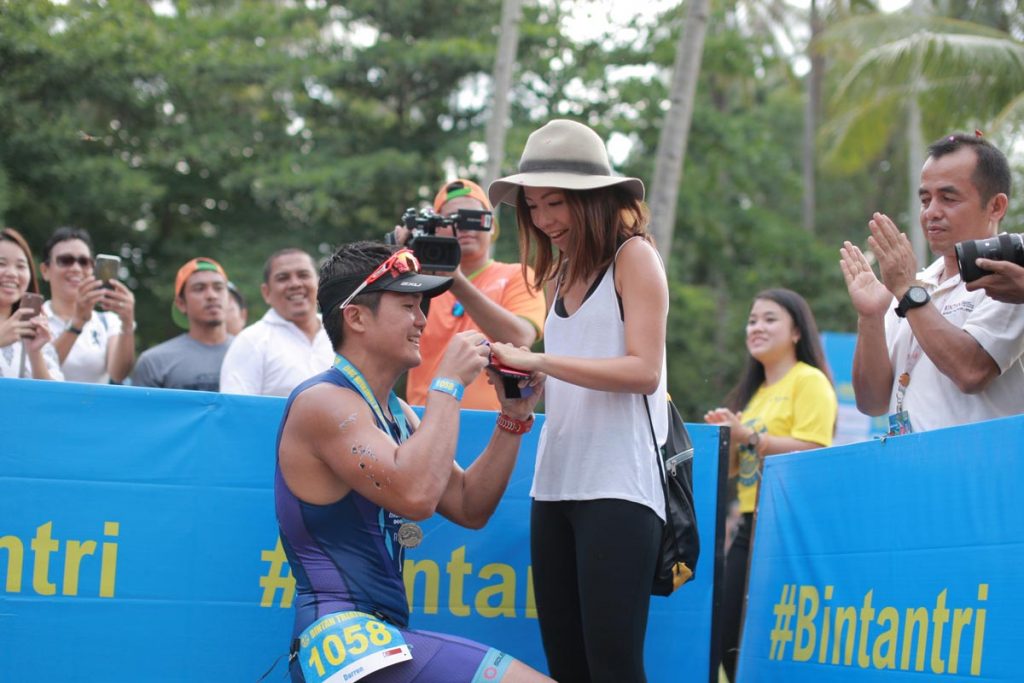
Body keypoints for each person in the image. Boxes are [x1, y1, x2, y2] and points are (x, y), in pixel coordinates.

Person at [275, 240, 551, 683]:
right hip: (344, 641)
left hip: (377, 639)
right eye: (408, 306)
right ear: (357, 316)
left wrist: (513, 418)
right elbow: (417, 496)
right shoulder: (324, 402)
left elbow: (468, 505)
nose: (423, 320)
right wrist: (446, 385)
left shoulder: (396, 412)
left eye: (421, 306)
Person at [487, 119, 668, 682]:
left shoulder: (634, 258)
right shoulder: (559, 272)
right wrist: (527, 383)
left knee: (613, 666)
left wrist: (538, 360)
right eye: (533, 207)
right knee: (566, 666)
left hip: (619, 486)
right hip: (555, 483)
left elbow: (643, 371)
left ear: (593, 199)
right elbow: (575, 374)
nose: (543, 219)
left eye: (555, 203)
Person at [840, 133, 1024, 434]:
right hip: (911, 471)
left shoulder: (1011, 278)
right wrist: (870, 316)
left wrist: (907, 293)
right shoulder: (917, 282)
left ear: (996, 207)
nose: (931, 212)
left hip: (980, 474)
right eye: (925, 199)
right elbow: (872, 402)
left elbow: (971, 371)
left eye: (948, 198)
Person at [703, 288, 837, 682]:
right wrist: (725, 435)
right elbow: (734, 471)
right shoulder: (755, 395)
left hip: (786, 528)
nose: (757, 327)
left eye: (769, 319)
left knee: (771, 640)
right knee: (726, 636)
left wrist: (748, 436)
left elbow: (813, 451)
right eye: (752, 319)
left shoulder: (808, 381)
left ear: (797, 331)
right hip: (749, 523)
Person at [403, 179, 546, 410]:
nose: (464, 227)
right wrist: (397, 260)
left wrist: (455, 281)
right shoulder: (415, 281)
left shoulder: (516, 276)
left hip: (494, 421)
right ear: (435, 227)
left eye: (473, 218)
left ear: (491, 225)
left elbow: (520, 338)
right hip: (422, 418)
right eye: (451, 220)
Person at [220, 248, 333, 397]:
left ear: (319, 283)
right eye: (283, 278)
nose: (295, 284)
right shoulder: (250, 342)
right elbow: (235, 410)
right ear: (266, 293)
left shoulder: (342, 332)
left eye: (303, 275)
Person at [39, 227, 136, 384]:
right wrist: (77, 323)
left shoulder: (107, 322)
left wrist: (127, 323)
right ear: (45, 270)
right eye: (65, 260)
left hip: (94, 408)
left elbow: (119, 373)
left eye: (84, 262)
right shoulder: (32, 318)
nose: (76, 268)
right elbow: (34, 370)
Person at [129, 257, 233, 391]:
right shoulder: (154, 362)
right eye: (199, 288)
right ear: (181, 304)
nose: (212, 295)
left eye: (218, 288)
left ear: (229, 298)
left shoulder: (253, 353)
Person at [0, 228, 62, 380]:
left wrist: (35, 354)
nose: (12, 273)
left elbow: (54, 399)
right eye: (1, 263)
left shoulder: (36, 330)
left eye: (20, 266)